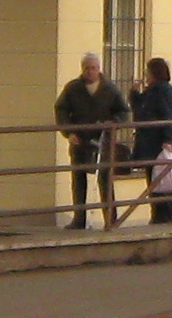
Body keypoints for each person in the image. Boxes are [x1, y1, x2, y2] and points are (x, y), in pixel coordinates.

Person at [53, 51, 128, 230]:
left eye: (93, 68)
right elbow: (61, 110)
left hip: (103, 141)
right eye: (87, 69)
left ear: (99, 69)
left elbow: (124, 111)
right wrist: (68, 132)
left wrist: (114, 123)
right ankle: (79, 218)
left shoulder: (110, 89)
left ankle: (111, 219)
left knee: (104, 178)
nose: (90, 72)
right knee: (78, 178)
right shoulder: (72, 88)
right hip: (80, 139)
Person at [130, 55, 172, 220]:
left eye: (148, 72)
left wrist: (168, 140)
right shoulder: (152, 91)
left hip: (158, 144)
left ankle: (163, 218)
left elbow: (168, 116)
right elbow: (141, 110)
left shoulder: (163, 91)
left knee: (162, 183)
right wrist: (134, 93)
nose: (146, 75)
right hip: (151, 144)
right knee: (155, 183)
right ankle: (158, 217)